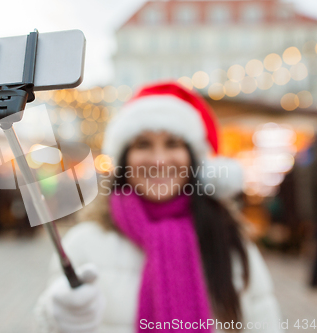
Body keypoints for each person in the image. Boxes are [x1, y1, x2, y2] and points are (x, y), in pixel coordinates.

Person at [34, 82, 284, 333]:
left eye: (173, 144)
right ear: (124, 160)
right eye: (143, 144)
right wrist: (57, 317)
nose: (159, 160)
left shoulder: (228, 241)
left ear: (194, 159)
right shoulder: (84, 244)